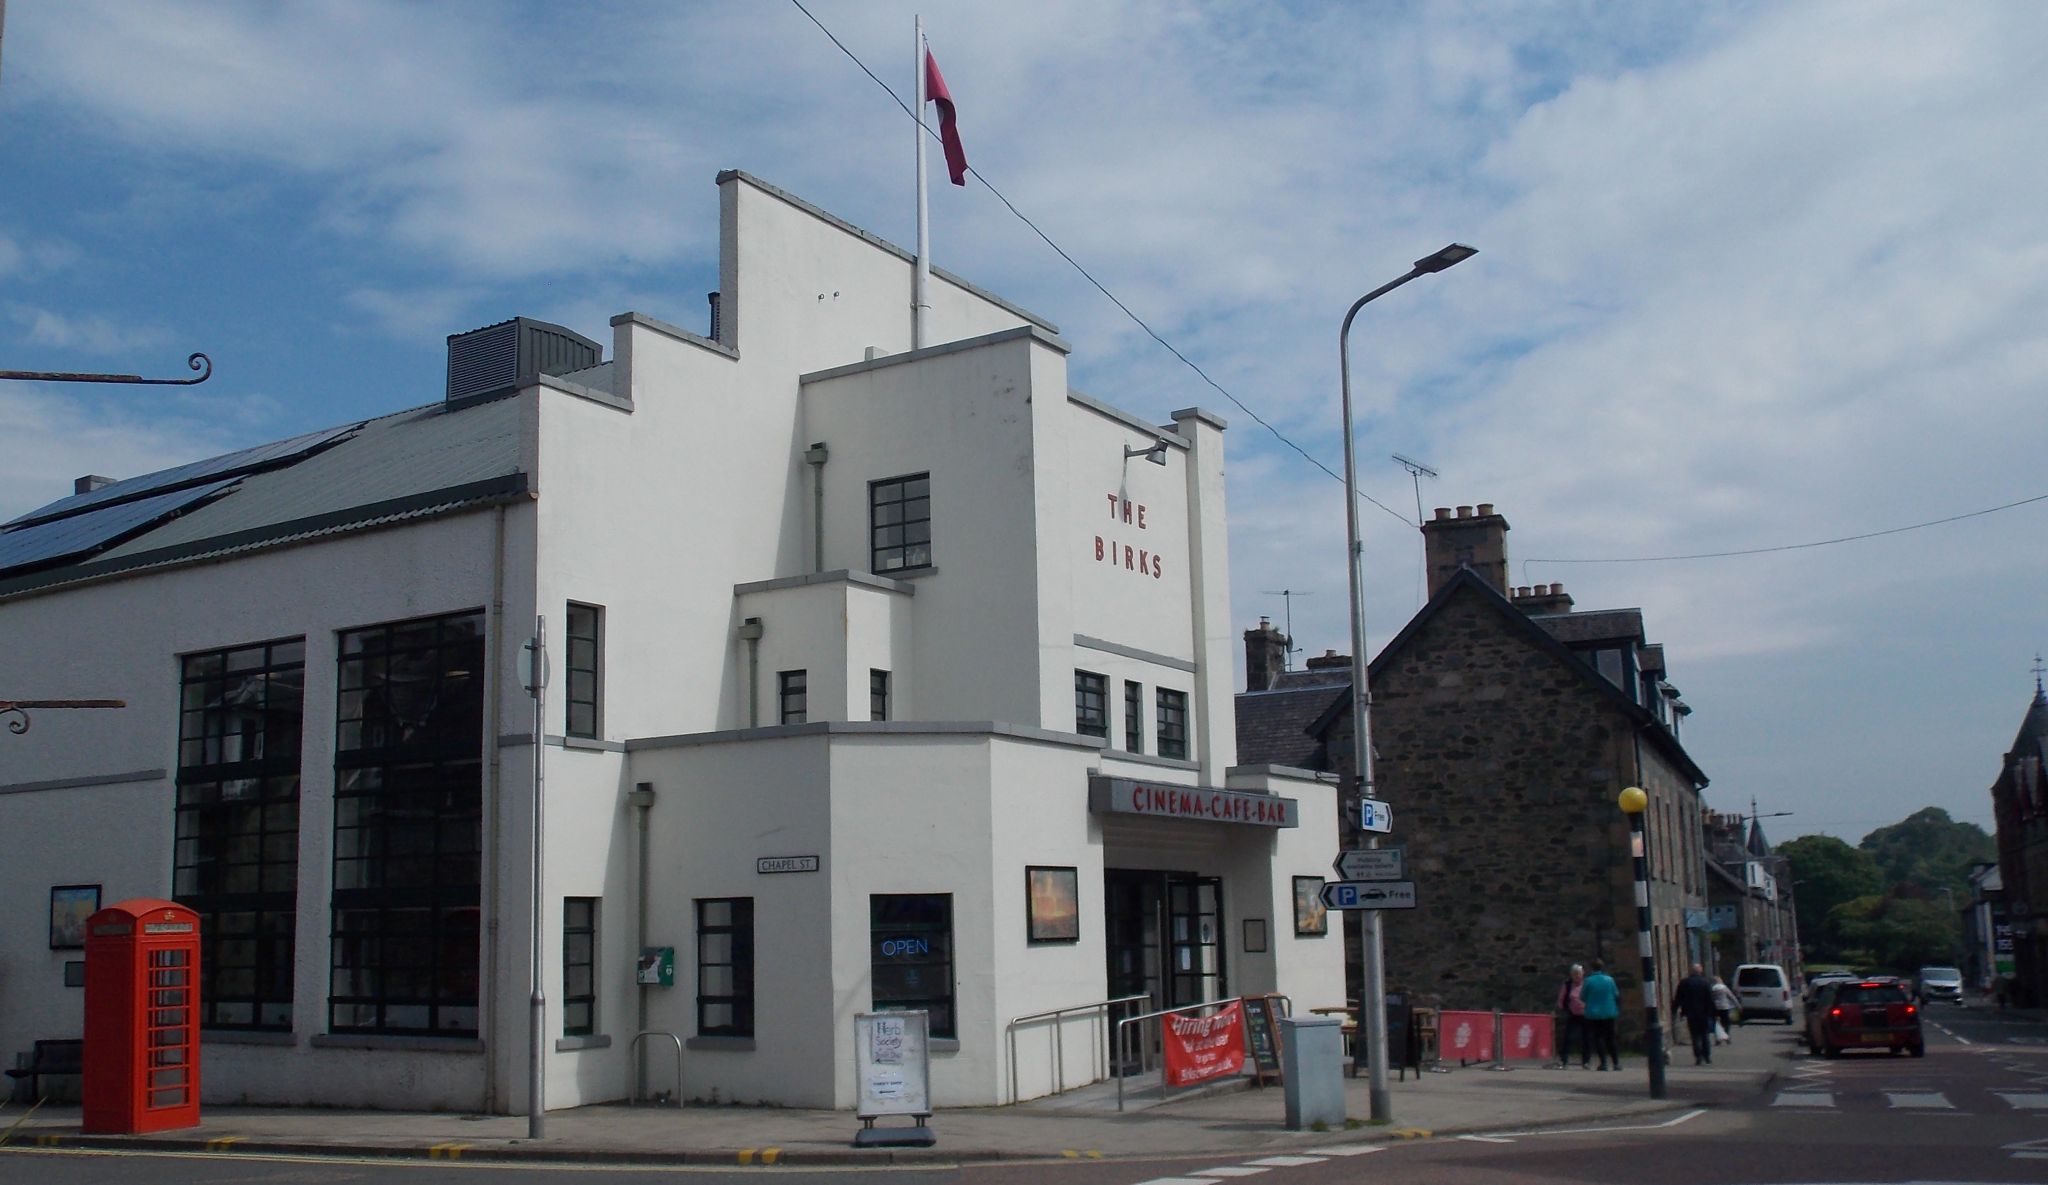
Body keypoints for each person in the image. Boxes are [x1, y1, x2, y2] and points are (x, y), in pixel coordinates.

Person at [1672, 962, 1718, 1065]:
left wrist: (1674, 1010)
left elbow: (1678, 998)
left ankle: (1698, 1056)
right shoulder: (1705, 983)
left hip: (1691, 1013)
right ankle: (1707, 1056)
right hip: (1704, 1013)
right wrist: (1714, 1013)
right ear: (1700, 971)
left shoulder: (1685, 983)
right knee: (1704, 1035)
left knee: (1695, 1035)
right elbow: (1710, 999)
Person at [1581, 959, 1621, 1070]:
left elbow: (1582, 997)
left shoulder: (1588, 981)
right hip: (1610, 1012)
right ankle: (1616, 1063)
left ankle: (1603, 1063)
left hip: (1594, 1014)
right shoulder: (1610, 980)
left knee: (1599, 1038)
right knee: (1611, 1038)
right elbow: (1616, 994)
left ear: (1591, 968)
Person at [1555, 963, 1590, 1068]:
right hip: (1572, 1014)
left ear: (1582, 974)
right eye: (1574, 974)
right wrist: (1565, 1008)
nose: (1577, 976)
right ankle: (1564, 1060)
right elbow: (1561, 999)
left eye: (1578, 974)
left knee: (1586, 1038)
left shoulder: (1587, 984)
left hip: (1585, 1014)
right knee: (1568, 1037)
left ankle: (1586, 1061)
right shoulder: (1568, 984)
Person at [1710, 975, 1739, 1044]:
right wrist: (1737, 1004)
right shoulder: (1724, 988)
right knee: (1727, 1023)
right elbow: (1731, 996)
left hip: (1716, 1007)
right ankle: (1727, 1036)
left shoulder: (1713, 989)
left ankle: (1718, 1039)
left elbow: (1710, 999)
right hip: (1725, 1007)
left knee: (1717, 1024)